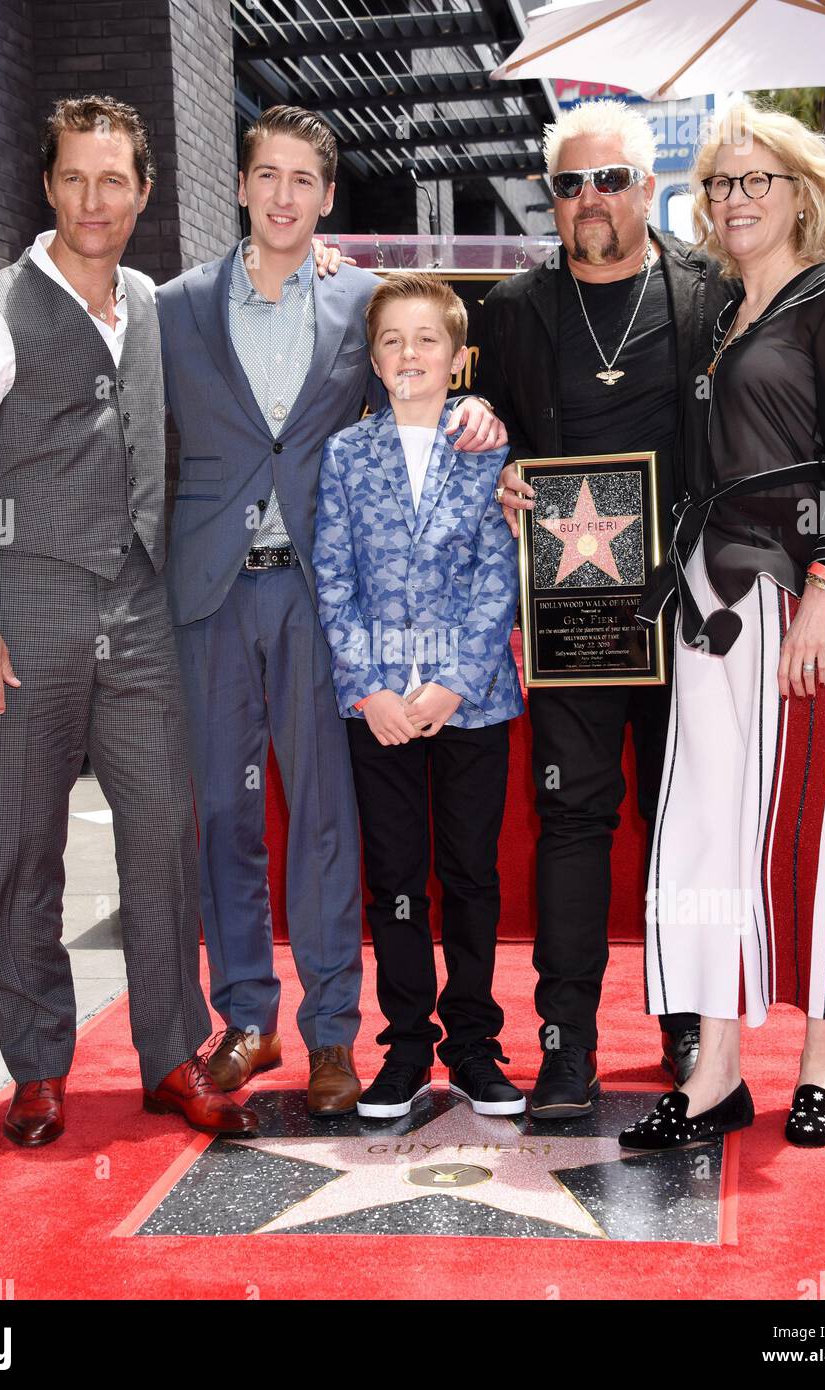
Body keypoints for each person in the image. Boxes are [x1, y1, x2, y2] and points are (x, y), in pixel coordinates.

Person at [0, 96, 259, 1146]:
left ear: (145, 191)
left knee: (163, 830)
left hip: (140, 607)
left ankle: (168, 1057)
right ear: (48, 185)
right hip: (21, 609)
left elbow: (255, 311)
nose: (94, 200)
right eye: (74, 178)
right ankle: (37, 1065)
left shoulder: (156, 303)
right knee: (22, 840)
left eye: (114, 180)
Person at [155, 106, 506, 1116]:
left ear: (326, 194)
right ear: (239, 184)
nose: (282, 195)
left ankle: (332, 1037)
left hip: (320, 589)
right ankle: (247, 1017)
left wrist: (476, 415)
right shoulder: (175, 306)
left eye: (303, 178)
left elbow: (423, 367)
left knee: (322, 816)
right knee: (221, 807)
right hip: (211, 590)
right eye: (267, 174)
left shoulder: (360, 300)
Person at [623, 99, 825, 1152]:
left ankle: (820, 1064)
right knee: (703, 833)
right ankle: (718, 1073)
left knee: (807, 828)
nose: (734, 199)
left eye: (756, 180)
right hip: (708, 599)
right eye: (721, 183)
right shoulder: (721, 311)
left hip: (798, 597)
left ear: (802, 192)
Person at [483, 99, 733, 1117]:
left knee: (681, 822)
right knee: (571, 820)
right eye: (571, 184)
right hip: (573, 608)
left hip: (688, 605)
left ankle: (681, 1023)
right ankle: (565, 1041)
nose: (590, 199)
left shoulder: (710, 295)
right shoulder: (510, 310)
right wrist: (496, 472)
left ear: (647, 186)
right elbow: (486, 429)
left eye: (611, 180)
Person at [313, 274, 525, 1118]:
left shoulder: (487, 449)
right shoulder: (344, 454)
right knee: (395, 879)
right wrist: (371, 690)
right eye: (392, 341)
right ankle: (405, 1050)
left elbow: (496, 572)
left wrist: (451, 681)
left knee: (470, 874)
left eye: (426, 340)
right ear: (372, 358)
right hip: (380, 712)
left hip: (469, 701)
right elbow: (332, 577)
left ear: (457, 357)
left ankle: (473, 1044)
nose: (410, 354)